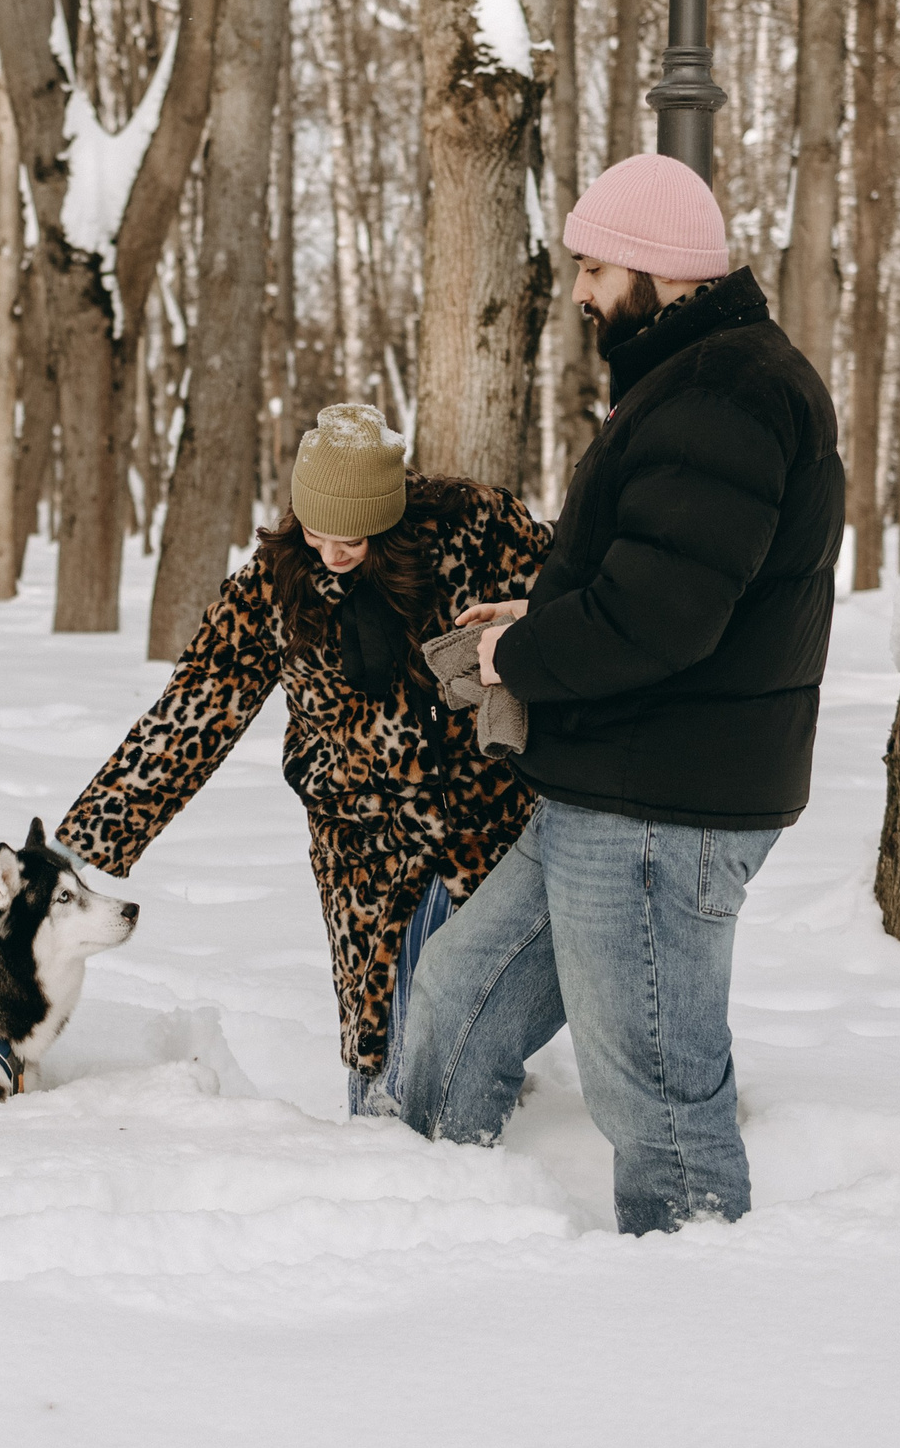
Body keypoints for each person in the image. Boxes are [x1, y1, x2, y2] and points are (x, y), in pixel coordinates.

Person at [395, 152, 845, 1234]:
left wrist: (516, 662)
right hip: (605, 784)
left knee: (648, 1090)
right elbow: (654, 573)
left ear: (654, 269)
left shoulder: (724, 394)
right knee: (456, 1004)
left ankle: (690, 1304)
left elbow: (662, 619)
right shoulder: (691, 381)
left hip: (660, 806)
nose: (584, 292)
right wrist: (531, 619)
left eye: (594, 267)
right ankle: (424, 1225)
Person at [56, 403, 549, 1113]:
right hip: (359, 840)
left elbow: (578, 585)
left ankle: (459, 1133)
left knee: (455, 1002)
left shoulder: (473, 527)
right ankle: (384, 1151)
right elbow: (200, 698)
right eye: (318, 530)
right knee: (378, 1034)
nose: (334, 551)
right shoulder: (274, 580)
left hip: (480, 821)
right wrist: (102, 826)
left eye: (352, 535)